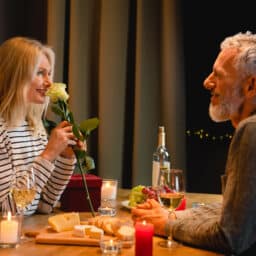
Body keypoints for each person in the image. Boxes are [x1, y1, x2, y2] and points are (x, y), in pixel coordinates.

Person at [132, 31, 256, 255]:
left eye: (218, 75)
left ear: (251, 86)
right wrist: (171, 215)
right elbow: (235, 212)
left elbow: (230, 237)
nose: (207, 82)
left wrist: (165, 224)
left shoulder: (251, 130)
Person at [0, 37, 85, 215]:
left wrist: (65, 158)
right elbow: (8, 211)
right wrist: (48, 155)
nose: (48, 82)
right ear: (16, 75)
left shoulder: (34, 128)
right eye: (39, 73)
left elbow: (44, 203)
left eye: (49, 73)